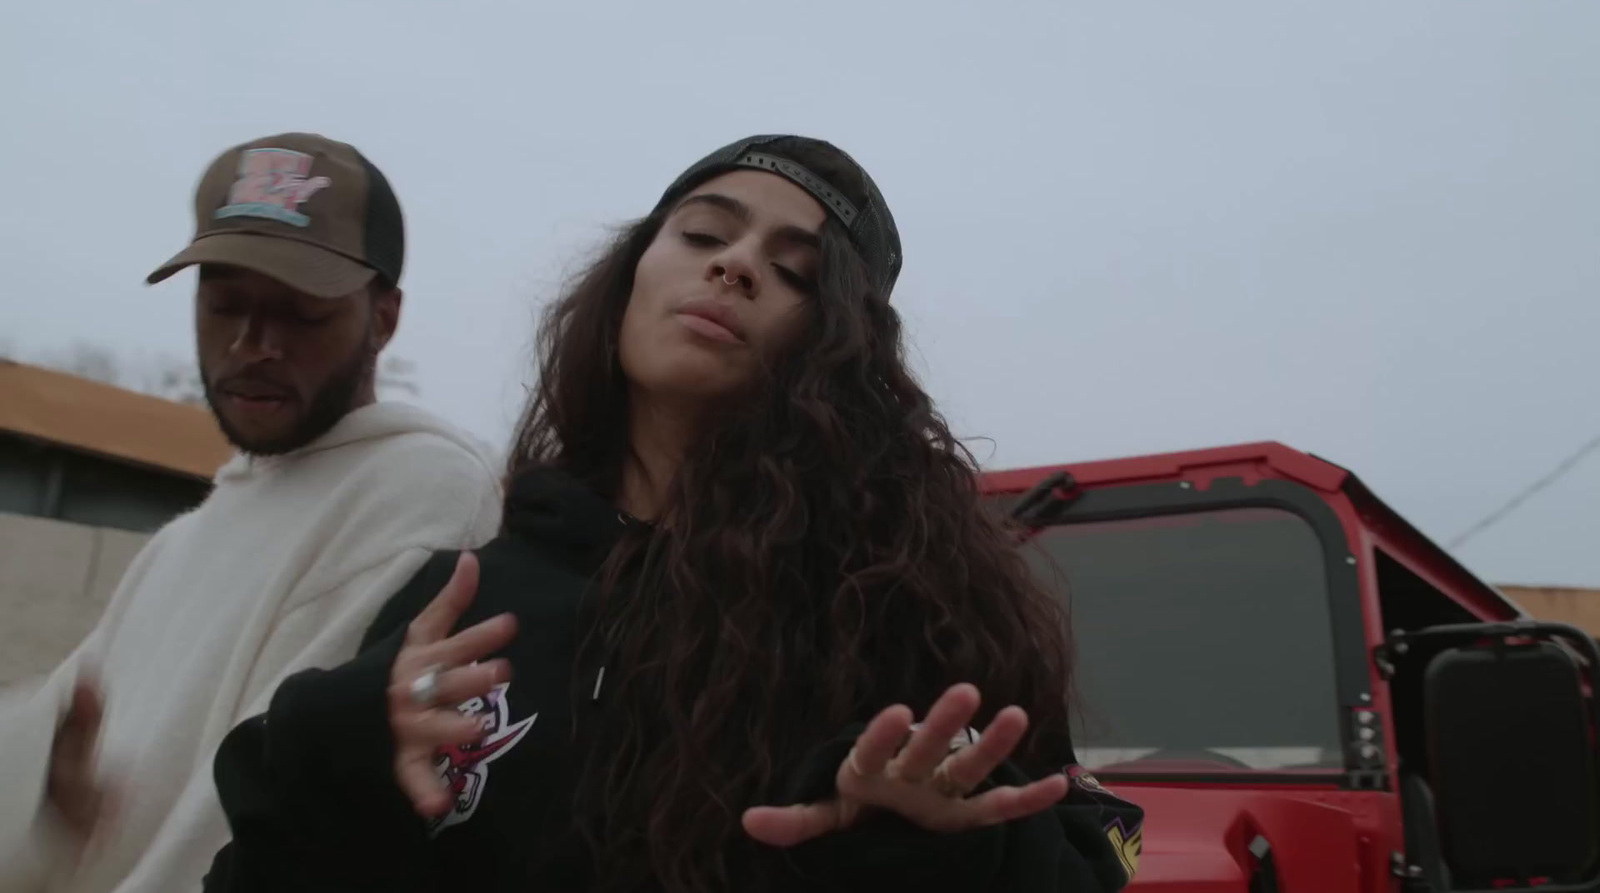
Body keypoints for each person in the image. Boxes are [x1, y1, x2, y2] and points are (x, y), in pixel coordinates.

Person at [203, 134, 1144, 892]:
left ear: (840, 345)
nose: (735, 266)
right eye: (703, 234)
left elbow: (1083, 860)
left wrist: (934, 853)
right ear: (631, 274)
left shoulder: (912, 610)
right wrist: (332, 754)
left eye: (798, 271)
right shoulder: (466, 596)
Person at [0, 133, 502, 893]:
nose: (252, 344)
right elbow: (67, 788)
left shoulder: (422, 491)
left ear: (385, 317)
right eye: (224, 302)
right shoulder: (187, 537)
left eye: (301, 314)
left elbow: (258, 820)